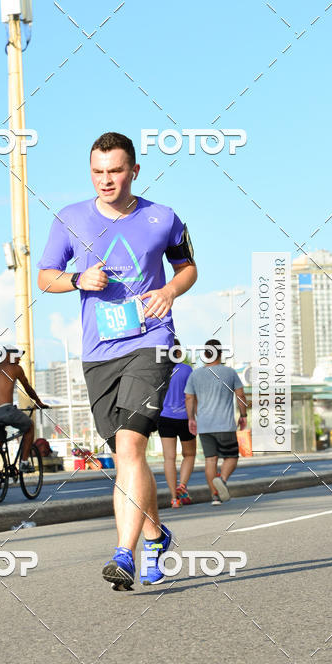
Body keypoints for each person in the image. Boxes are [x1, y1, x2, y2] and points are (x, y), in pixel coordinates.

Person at [37, 131, 197, 589]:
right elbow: (45, 278)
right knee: (126, 458)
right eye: (97, 171)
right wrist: (77, 279)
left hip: (152, 340)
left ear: (134, 171)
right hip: (99, 351)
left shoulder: (162, 218)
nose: (106, 180)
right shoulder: (70, 218)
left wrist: (168, 291)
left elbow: (187, 267)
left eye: (115, 171)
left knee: (130, 447)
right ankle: (155, 535)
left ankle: (124, 553)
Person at [185, 339, 248, 505]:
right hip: (225, 425)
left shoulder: (195, 374)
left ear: (205, 355)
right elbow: (240, 395)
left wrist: (191, 418)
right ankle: (223, 479)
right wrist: (243, 415)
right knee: (231, 457)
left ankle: (215, 495)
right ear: (220, 354)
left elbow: (189, 398)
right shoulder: (230, 372)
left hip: (205, 425)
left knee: (210, 460)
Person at [0, 345, 48, 476]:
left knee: (0, 437)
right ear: (7, 355)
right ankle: (24, 462)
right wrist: (38, 402)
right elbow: (27, 388)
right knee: (29, 426)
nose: (19, 359)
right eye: (17, 355)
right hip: (5, 411)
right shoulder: (15, 368)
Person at [157, 347, 196, 507]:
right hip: (184, 418)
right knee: (189, 455)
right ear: (178, 353)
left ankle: (174, 498)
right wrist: (192, 417)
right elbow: (190, 396)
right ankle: (182, 485)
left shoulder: (159, 371)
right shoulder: (187, 370)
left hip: (164, 417)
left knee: (169, 458)